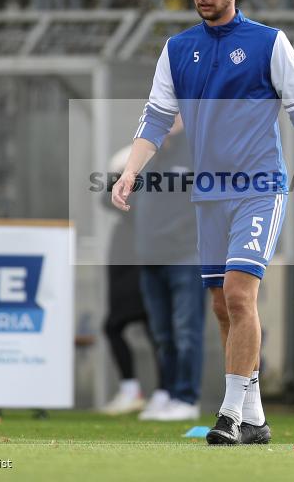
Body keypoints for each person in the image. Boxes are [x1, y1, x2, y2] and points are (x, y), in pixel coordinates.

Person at [112, 0, 294, 444]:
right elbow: (154, 119)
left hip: (260, 187)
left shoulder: (269, 43)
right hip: (208, 193)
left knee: (239, 293)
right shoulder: (177, 49)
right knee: (221, 305)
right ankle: (254, 417)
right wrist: (130, 172)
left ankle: (230, 414)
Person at [134, 115, 203, 421]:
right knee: (163, 335)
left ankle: (187, 398)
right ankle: (169, 393)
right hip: (150, 257)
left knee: (187, 332)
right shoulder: (147, 150)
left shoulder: (198, 149)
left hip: (186, 256)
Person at [99, 147, 160, 415]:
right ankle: (152, 391)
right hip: (125, 260)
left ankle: (156, 392)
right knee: (148, 329)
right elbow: (105, 199)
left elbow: (113, 200)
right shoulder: (129, 161)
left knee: (124, 326)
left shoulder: (151, 182)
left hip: (141, 261)